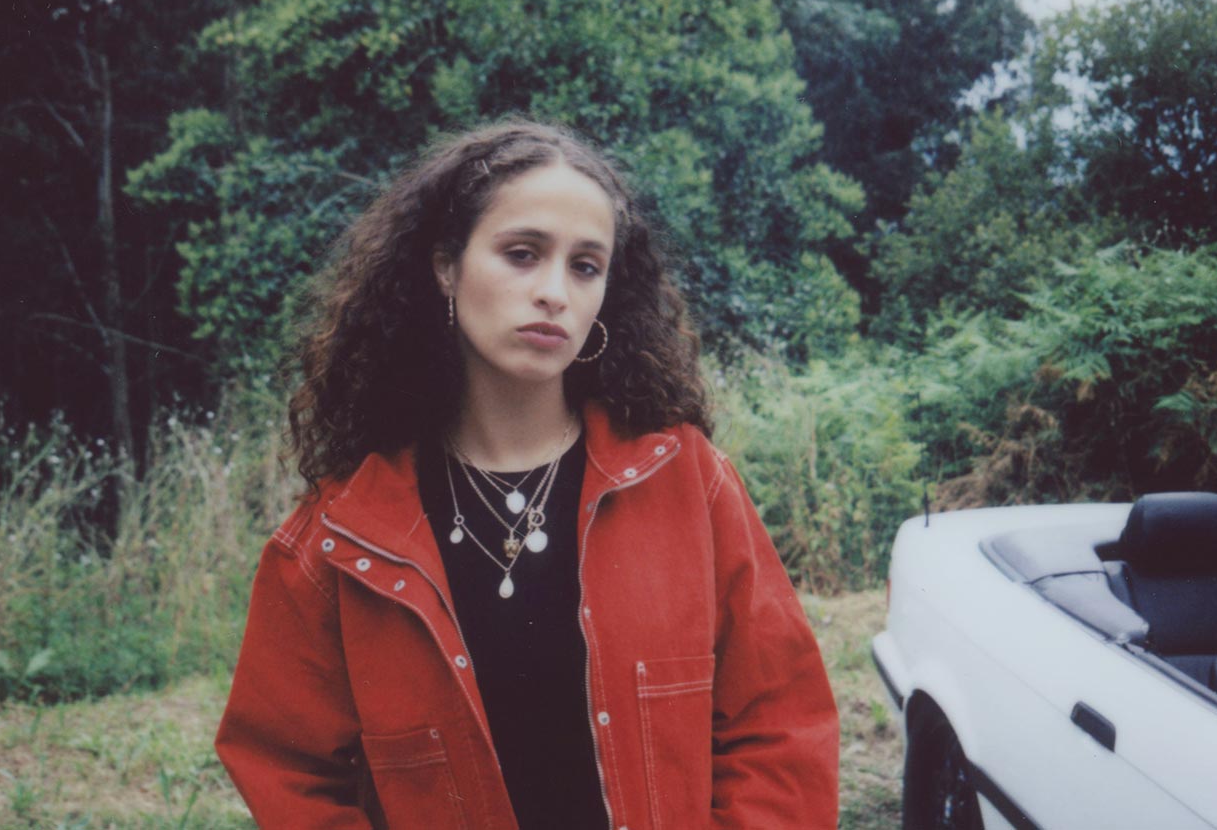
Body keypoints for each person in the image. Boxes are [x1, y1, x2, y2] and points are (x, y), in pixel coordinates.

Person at [215, 120, 839, 829]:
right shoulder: (341, 534)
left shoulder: (686, 481)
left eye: (585, 266)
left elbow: (781, 727)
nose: (554, 292)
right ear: (446, 267)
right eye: (522, 254)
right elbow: (288, 771)